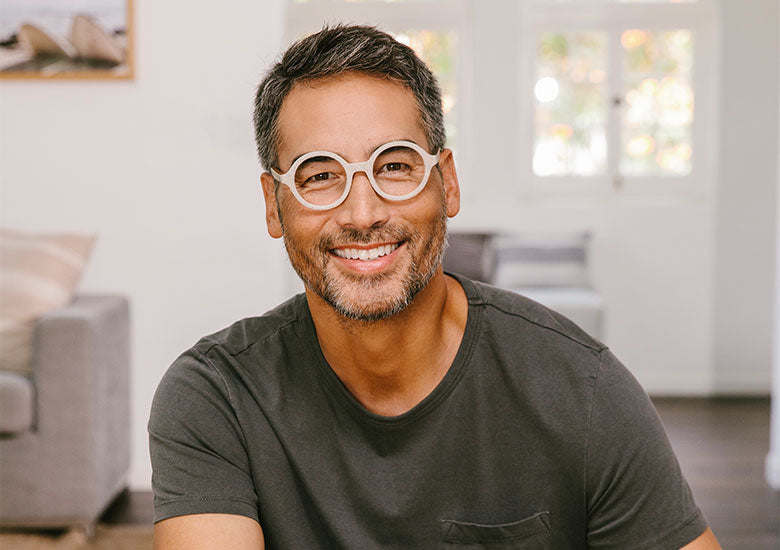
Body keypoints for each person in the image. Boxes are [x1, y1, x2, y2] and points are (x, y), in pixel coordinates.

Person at [149, 24, 720, 549]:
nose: (362, 212)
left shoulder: (583, 390)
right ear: (274, 207)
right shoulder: (215, 397)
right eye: (320, 175)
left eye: (394, 167)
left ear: (446, 183)